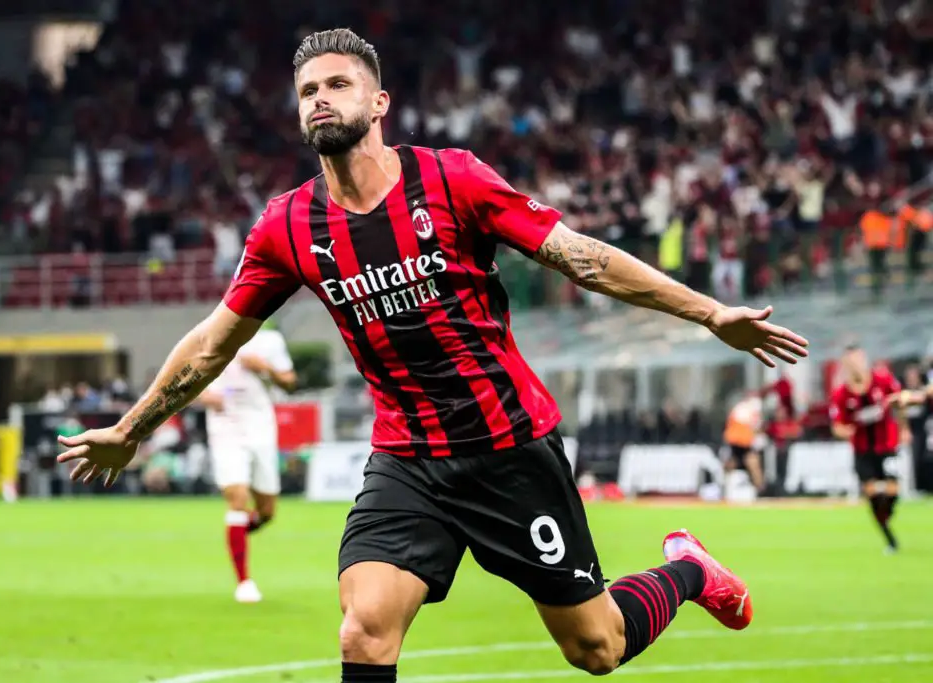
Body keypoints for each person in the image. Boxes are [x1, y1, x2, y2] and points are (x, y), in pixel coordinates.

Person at [57, 29, 809, 682]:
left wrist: (710, 312)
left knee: (597, 647)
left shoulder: (452, 179)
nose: (320, 99)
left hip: (509, 449)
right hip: (408, 459)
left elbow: (582, 258)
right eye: (308, 91)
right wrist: (132, 428)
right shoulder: (286, 226)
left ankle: (688, 570)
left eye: (338, 85)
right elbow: (213, 342)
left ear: (379, 102)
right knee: (364, 629)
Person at [194, 320, 296, 603]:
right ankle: (244, 582)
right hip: (226, 426)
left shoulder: (270, 341)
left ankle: (236, 534)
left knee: (267, 512)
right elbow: (189, 378)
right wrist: (204, 396)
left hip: (260, 426)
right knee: (237, 498)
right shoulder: (209, 334)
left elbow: (289, 382)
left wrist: (266, 369)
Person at [829, 345, 907, 553]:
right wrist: (845, 431)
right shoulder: (842, 394)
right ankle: (890, 540)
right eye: (850, 361)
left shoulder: (883, 380)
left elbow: (899, 402)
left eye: (857, 359)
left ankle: (885, 517)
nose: (855, 364)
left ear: (864, 359)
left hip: (887, 445)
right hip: (862, 451)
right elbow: (837, 426)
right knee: (872, 494)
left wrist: (904, 428)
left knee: (892, 492)